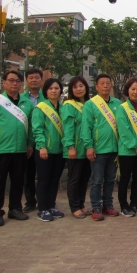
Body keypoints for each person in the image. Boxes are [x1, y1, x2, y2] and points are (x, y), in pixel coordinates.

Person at [0, 71, 34, 227]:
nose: (14, 83)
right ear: (4, 83)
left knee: (18, 181)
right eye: (11, 80)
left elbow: (30, 126)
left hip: (20, 150)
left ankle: (15, 208)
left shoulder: (26, 103)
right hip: (0, 149)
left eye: (17, 81)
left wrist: (29, 143)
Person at [81, 74, 122, 221]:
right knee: (97, 180)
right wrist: (89, 146)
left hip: (114, 149)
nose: (105, 86)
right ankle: (96, 207)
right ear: (96, 86)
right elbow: (86, 127)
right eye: (102, 83)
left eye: (108, 83)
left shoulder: (117, 103)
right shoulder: (91, 104)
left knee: (110, 179)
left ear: (111, 85)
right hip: (98, 149)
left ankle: (108, 205)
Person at [32, 78, 65, 222]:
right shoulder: (40, 108)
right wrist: (42, 146)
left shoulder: (63, 107)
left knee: (54, 180)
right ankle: (42, 209)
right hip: (45, 151)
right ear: (46, 91)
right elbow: (37, 129)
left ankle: (51, 205)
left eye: (56, 88)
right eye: (51, 88)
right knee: (44, 180)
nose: (54, 91)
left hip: (59, 151)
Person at [114, 78, 137, 217]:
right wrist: (135, 146)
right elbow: (124, 130)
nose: (135, 92)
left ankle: (134, 203)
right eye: (132, 89)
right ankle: (124, 206)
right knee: (125, 179)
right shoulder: (123, 108)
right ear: (127, 90)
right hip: (127, 151)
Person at [61, 76, 91, 219]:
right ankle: (74, 207)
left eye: (81, 86)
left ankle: (81, 204)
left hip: (88, 149)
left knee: (84, 179)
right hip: (75, 149)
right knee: (74, 179)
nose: (78, 89)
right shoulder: (69, 105)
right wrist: (70, 146)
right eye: (75, 87)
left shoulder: (89, 104)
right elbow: (67, 128)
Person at [22, 68, 45, 213]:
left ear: (41, 80)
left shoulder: (48, 98)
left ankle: (47, 201)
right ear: (26, 80)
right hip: (27, 144)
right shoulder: (21, 99)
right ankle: (30, 202)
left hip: (44, 144)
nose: (34, 80)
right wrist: (29, 143)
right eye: (31, 78)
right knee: (28, 174)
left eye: (37, 77)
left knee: (45, 175)